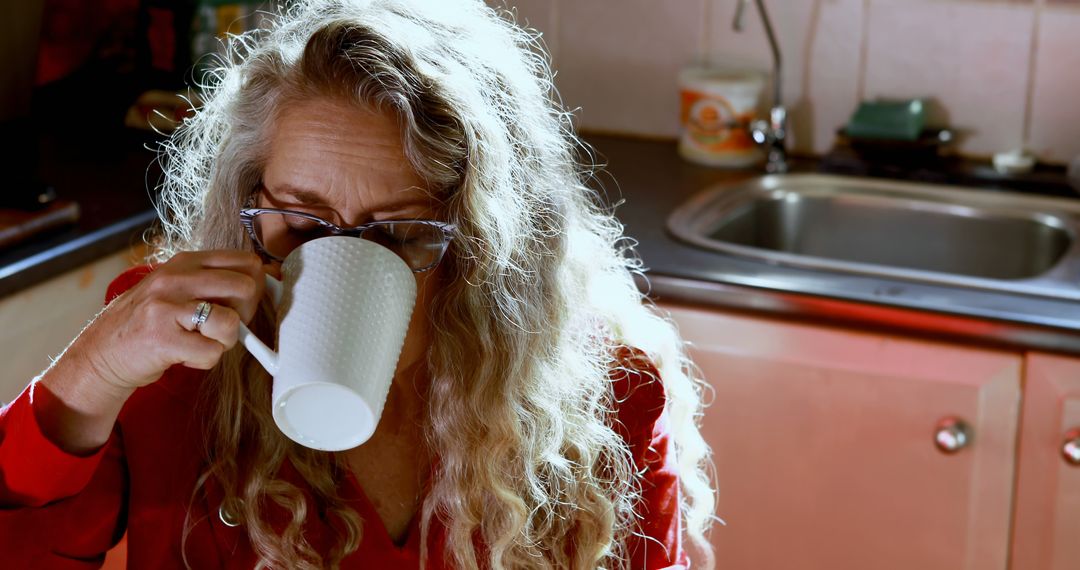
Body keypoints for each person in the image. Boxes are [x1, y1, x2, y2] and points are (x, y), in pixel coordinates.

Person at [0, 0, 716, 568]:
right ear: (249, 204)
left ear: (482, 249)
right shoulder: (177, 365)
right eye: (303, 225)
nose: (341, 257)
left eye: (398, 234)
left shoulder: (607, 404)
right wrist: (94, 371)